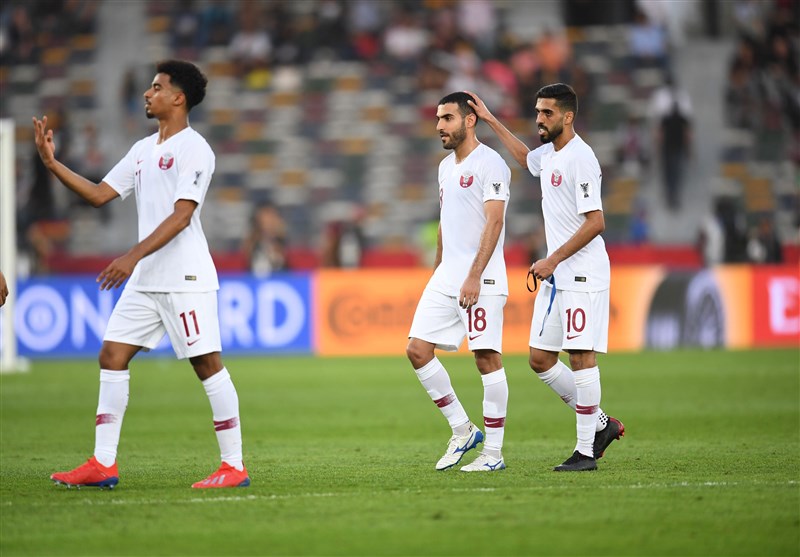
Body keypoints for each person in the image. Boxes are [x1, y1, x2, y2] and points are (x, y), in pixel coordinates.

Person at [33, 60, 249, 489]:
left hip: (185, 277)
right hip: (147, 279)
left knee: (207, 364)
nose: (148, 94)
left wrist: (131, 256)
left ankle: (233, 466)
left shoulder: (195, 149)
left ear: (178, 98)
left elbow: (182, 216)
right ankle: (103, 463)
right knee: (112, 355)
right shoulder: (142, 149)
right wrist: (53, 164)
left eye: (157, 87)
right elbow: (99, 194)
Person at [466, 84, 624, 472]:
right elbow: (526, 159)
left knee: (581, 356)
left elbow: (596, 222)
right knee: (540, 359)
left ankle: (586, 452)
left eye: (547, 113)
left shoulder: (580, 158)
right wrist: (489, 119)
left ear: (568, 117)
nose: (539, 118)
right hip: (558, 276)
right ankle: (601, 424)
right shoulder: (550, 154)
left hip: (582, 274)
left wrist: (553, 259)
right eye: (537, 111)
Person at [406, 92, 511, 472]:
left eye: (447, 118)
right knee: (417, 350)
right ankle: (463, 429)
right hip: (447, 275)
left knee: (486, 359)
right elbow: (445, 223)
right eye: (437, 119)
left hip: (482, 278)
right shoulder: (444, 167)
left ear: (469, 120)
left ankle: (493, 454)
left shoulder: (491, 164)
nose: (439, 126)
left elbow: (494, 222)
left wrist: (474, 276)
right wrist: (438, 268)